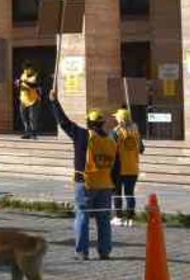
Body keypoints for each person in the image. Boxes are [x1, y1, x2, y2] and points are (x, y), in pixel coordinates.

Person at [49, 89, 117, 261]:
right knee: (103, 219)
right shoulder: (110, 140)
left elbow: (64, 123)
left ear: (88, 123)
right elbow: (117, 165)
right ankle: (105, 251)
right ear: (102, 124)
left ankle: (82, 251)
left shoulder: (83, 135)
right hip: (105, 185)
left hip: (85, 183)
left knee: (82, 216)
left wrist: (54, 102)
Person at [112, 108, 145, 227]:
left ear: (120, 120)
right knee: (129, 194)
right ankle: (131, 218)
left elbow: (111, 149)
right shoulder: (136, 132)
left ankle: (118, 217)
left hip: (119, 168)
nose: (115, 119)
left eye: (116, 117)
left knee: (117, 193)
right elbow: (141, 149)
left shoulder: (116, 132)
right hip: (133, 168)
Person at [17, 65, 42, 139]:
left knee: (32, 117)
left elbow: (34, 85)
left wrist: (24, 82)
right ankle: (27, 132)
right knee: (24, 117)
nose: (26, 71)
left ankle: (33, 133)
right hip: (23, 99)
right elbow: (20, 84)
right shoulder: (23, 75)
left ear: (32, 69)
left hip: (33, 100)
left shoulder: (36, 76)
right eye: (25, 69)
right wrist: (17, 83)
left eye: (28, 69)